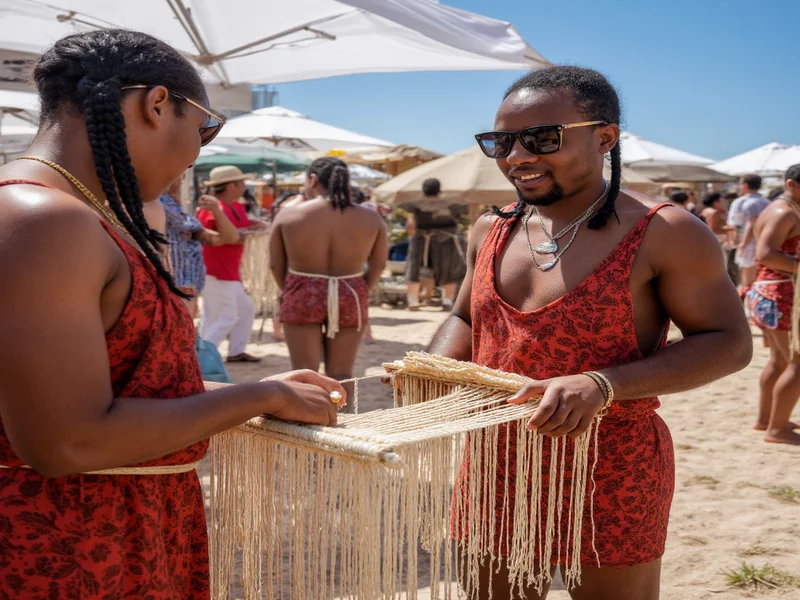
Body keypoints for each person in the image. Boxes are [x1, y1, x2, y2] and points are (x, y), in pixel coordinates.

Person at [0, 29, 345, 599]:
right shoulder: (43, 219)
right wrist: (258, 398)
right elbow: (66, 442)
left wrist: (250, 389)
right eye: (205, 128)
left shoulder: (73, 214)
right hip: (66, 550)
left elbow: (106, 379)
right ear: (156, 105)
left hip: (112, 531)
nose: (198, 153)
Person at [410, 66, 751, 599]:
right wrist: (429, 368)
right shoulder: (492, 227)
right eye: (501, 141)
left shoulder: (666, 232)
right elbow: (465, 319)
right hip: (497, 461)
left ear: (605, 138)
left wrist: (601, 384)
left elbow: (729, 342)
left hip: (611, 467)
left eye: (542, 138)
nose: (517, 156)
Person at [270, 157, 388, 412]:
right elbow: (378, 265)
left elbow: (275, 265)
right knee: (343, 372)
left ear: (313, 180)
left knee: (305, 373)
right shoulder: (371, 217)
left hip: (302, 290)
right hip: (350, 290)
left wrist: (291, 291)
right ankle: (345, 426)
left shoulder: (289, 214)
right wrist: (360, 290)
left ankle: (307, 429)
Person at [746, 164, 800, 445]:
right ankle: (777, 429)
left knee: (780, 362)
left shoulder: (778, 208)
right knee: (796, 363)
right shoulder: (785, 211)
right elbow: (767, 255)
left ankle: (768, 419)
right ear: (791, 184)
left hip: (770, 293)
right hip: (780, 294)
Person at [197, 165, 267, 363]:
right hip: (216, 271)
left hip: (226, 270)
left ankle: (235, 351)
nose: (245, 186)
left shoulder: (233, 206)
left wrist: (251, 226)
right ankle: (201, 359)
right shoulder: (211, 209)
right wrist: (247, 233)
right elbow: (225, 237)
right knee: (224, 317)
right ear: (231, 186)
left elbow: (235, 230)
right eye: (242, 182)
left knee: (240, 311)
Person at [160, 176, 238, 317]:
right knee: (225, 317)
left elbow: (229, 237)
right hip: (180, 288)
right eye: (180, 175)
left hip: (188, 287)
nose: (182, 179)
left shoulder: (173, 206)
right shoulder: (161, 203)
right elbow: (194, 228)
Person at [399, 178, 467, 311]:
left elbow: (403, 207)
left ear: (423, 191)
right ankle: (447, 301)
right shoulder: (453, 204)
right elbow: (463, 212)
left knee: (414, 269)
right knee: (449, 271)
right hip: (444, 242)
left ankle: (413, 302)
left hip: (423, 240)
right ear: (439, 190)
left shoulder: (415, 204)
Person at [728, 173, 770, 296]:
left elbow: (750, 224)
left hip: (749, 244)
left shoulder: (743, 202)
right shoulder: (767, 202)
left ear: (745, 185)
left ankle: (748, 307)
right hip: (764, 243)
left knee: (747, 280)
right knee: (758, 277)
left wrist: (743, 244)